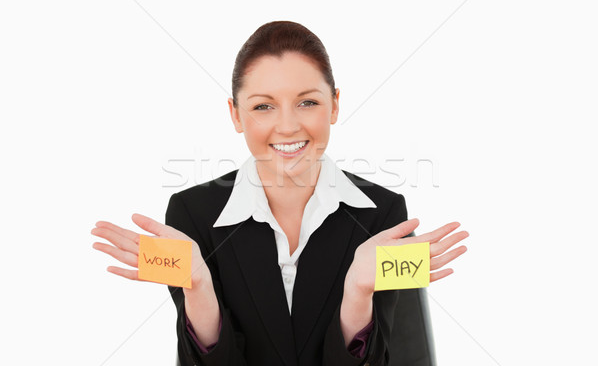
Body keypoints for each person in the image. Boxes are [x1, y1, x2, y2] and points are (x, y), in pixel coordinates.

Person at [91, 20, 469, 366]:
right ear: (235, 115)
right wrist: (199, 287)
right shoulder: (192, 216)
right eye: (263, 106)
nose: (287, 126)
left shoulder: (383, 214)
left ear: (335, 104)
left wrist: (357, 294)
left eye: (307, 102)